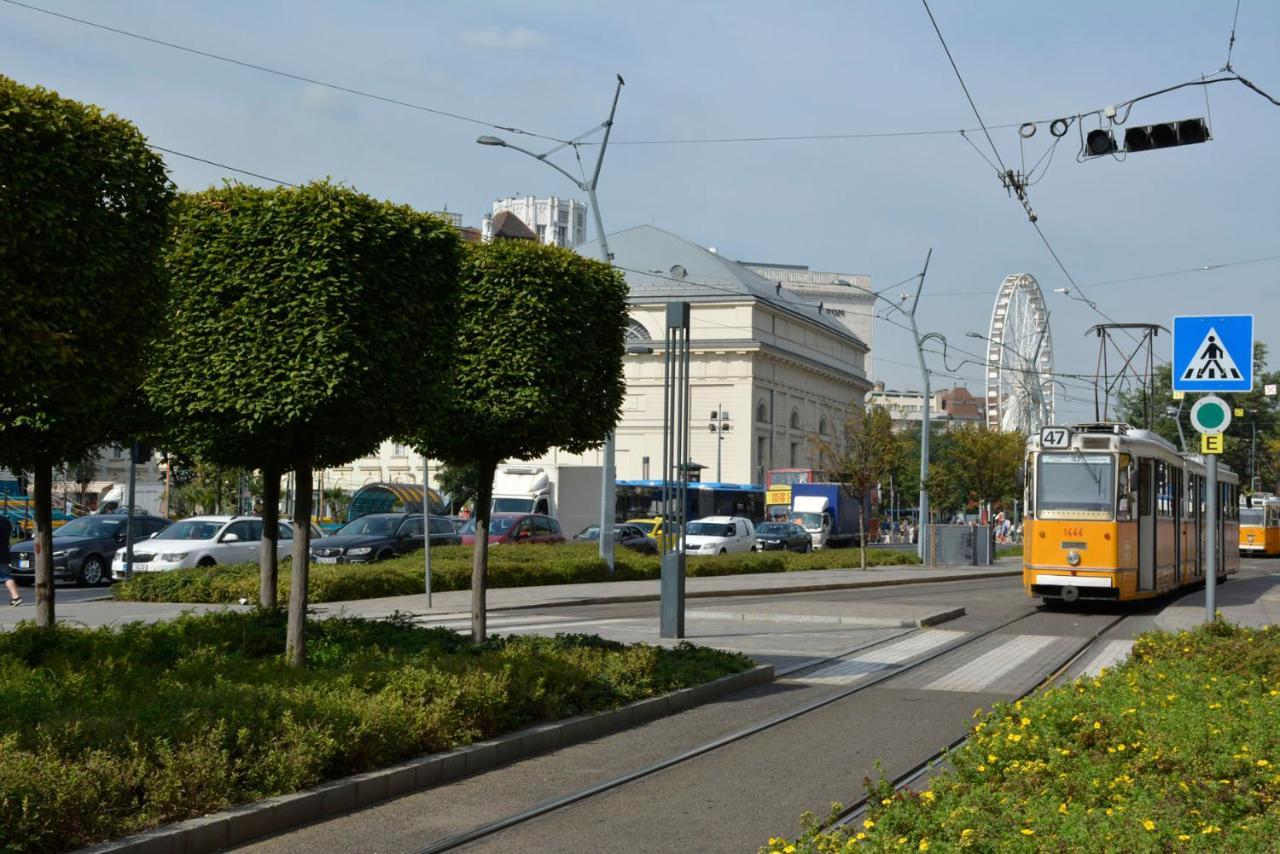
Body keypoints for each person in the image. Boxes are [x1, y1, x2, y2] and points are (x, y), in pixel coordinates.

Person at [0, 515, 20, 606]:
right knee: (6, 576)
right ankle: (16, 597)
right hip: (4, 551)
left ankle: (16, 597)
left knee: (4, 576)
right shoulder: (4, 520)